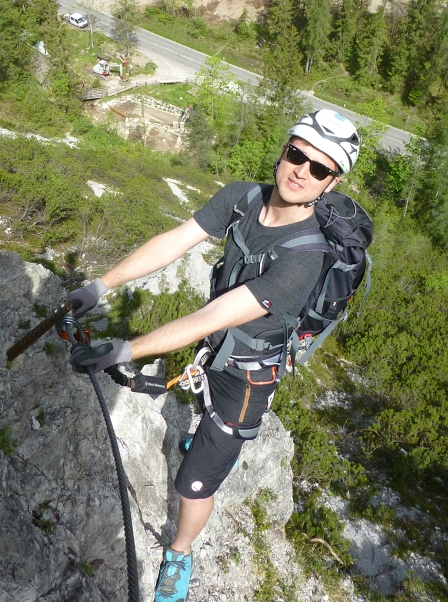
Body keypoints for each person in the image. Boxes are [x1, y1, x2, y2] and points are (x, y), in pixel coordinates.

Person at [68, 109, 360, 602]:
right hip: (216, 348)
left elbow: (211, 318)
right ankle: (198, 442)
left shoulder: (306, 258)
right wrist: (100, 286)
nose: (301, 171)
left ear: (329, 183)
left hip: (249, 377)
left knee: (195, 483)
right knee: (199, 420)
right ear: (284, 150)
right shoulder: (242, 197)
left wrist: (125, 350)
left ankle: (179, 553)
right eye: (297, 155)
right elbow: (174, 242)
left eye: (319, 168)